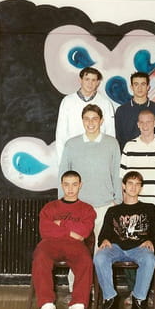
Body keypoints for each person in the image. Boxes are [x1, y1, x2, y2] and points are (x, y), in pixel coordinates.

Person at [93, 171, 155, 309]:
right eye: (130, 183)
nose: (133, 187)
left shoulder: (150, 208)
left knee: (149, 259)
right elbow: (104, 233)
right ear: (123, 186)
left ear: (141, 188)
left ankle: (139, 300)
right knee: (100, 257)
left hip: (140, 247)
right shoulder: (113, 210)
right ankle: (110, 299)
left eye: (137, 184)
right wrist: (104, 240)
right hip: (116, 247)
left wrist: (152, 241)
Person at [32, 170, 96, 309]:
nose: (70, 188)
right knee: (40, 257)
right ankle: (47, 306)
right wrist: (71, 231)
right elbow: (45, 230)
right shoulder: (50, 207)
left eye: (74, 184)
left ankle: (78, 306)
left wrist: (61, 224)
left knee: (85, 260)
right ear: (61, 185)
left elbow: (83, 232)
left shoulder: (87, 209)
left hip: (75, 245)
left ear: (80, 185)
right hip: (50, 243)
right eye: (66, 184)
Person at [58, 103, 121, 241]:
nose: (90, 123)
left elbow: (117, 173)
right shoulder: (71, 144)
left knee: (102, 249)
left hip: (105, 205)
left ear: (101, 121)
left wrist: (118, 201)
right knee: (76, 248)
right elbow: (63, 173)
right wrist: (62, 202)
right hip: (78, 206)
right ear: (82, 121)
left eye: (95, 118)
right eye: (87, 119)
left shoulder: (112, 143)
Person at [55, 66, 117, 162]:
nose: (90, 83)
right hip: (74, 155)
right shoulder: (68, 102)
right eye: (87, 79)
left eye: (93, 80)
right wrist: (62, 162)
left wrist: (108, 160)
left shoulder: (105, 103)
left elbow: (110, 133)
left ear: (98, 83)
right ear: (80, 80)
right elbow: (61, 135)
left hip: (98, 156)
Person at [120, 109, 155, 215]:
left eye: (148, 122)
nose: (145, 126)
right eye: (142, 122)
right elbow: (123, 178)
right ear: (138, 124)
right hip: (134, 207)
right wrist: (126, 204)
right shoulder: (129, 147)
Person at [114, 71, 155, 150]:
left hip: (153, 154)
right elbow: (119, 138)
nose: (139, 88)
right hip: (130, 154)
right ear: (131, 87)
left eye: (143, 84)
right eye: (136, 84)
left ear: (148, 87)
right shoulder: (121, 111)